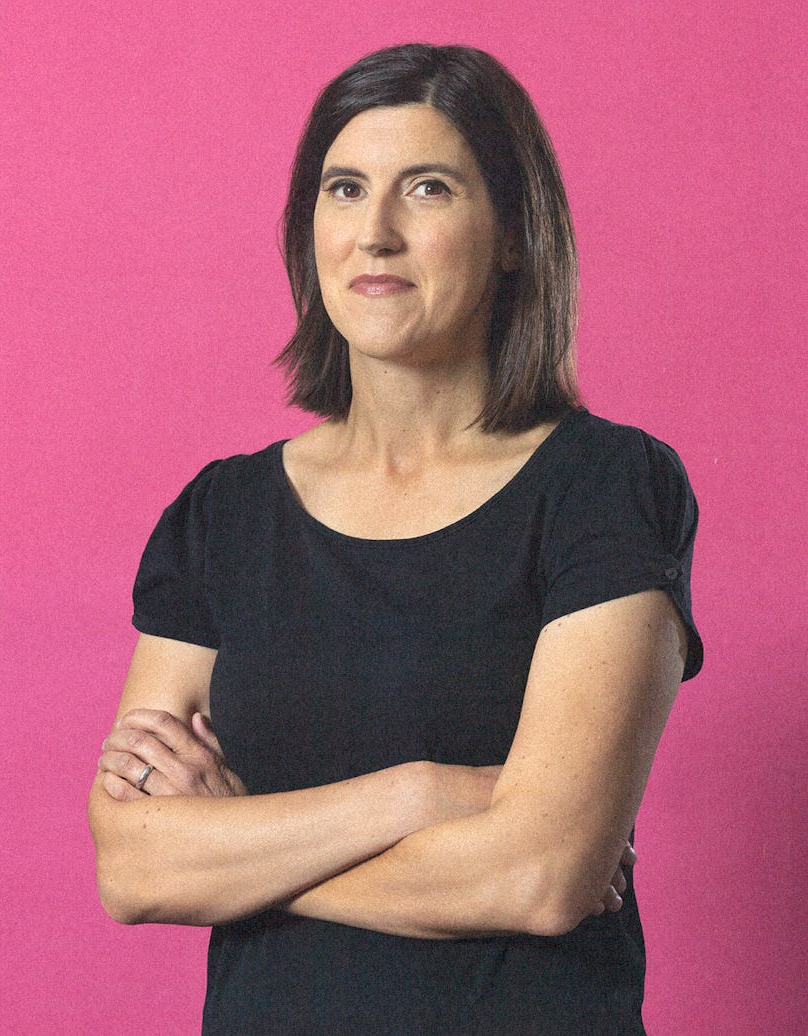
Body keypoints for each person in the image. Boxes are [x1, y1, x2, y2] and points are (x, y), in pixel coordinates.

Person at [88, 43, 703, 1035]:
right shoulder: (221, 515)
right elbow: (134, 865)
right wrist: (417, 796)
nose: (374, 233)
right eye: (344, 189)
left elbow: (541, 875)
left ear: (514, 234)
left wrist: (233, 850)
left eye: (427, 188)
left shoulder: (606, 487)